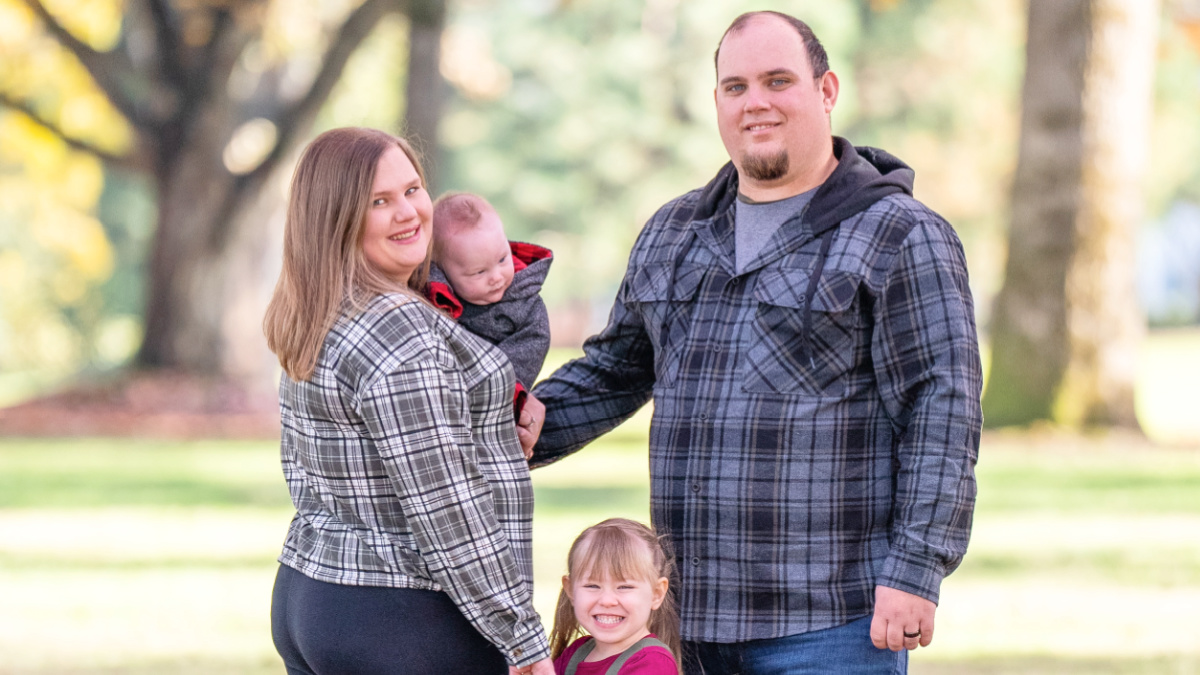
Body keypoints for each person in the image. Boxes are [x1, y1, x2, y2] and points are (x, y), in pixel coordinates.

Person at [528, 11, 983, 674]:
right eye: (736, 87)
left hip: (829, 626)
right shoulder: (674, 231)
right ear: (716, 101)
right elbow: (614, 371)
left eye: (778, 81)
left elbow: (941, 410)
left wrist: (916, 568)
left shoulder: (900, 234)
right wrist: (511, 425)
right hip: (682, 626)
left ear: (826, 90)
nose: (755, 102)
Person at [262, 127, 553, 675]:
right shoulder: (400, 329)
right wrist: (521, 637)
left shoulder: (324, 311)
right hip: (401, 614)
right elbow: (447, 505)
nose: (409, 212)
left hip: (312, 591)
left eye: (412, 189)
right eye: (379, 201)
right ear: (337, 218)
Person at [427, 191, 553, 394]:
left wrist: (505, 389)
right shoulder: (434, 294)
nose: (496, 277)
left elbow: (529, 351)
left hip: (494, 394)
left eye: (502, 259)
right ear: (442, 270)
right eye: (479, 272)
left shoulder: (527, 306)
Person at [550, 518, 681, 675]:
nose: (607, 601)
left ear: (656, 594)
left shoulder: (653, 663)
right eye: (592, 586)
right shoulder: (575, 654)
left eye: (624, 587)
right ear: (570, 590)